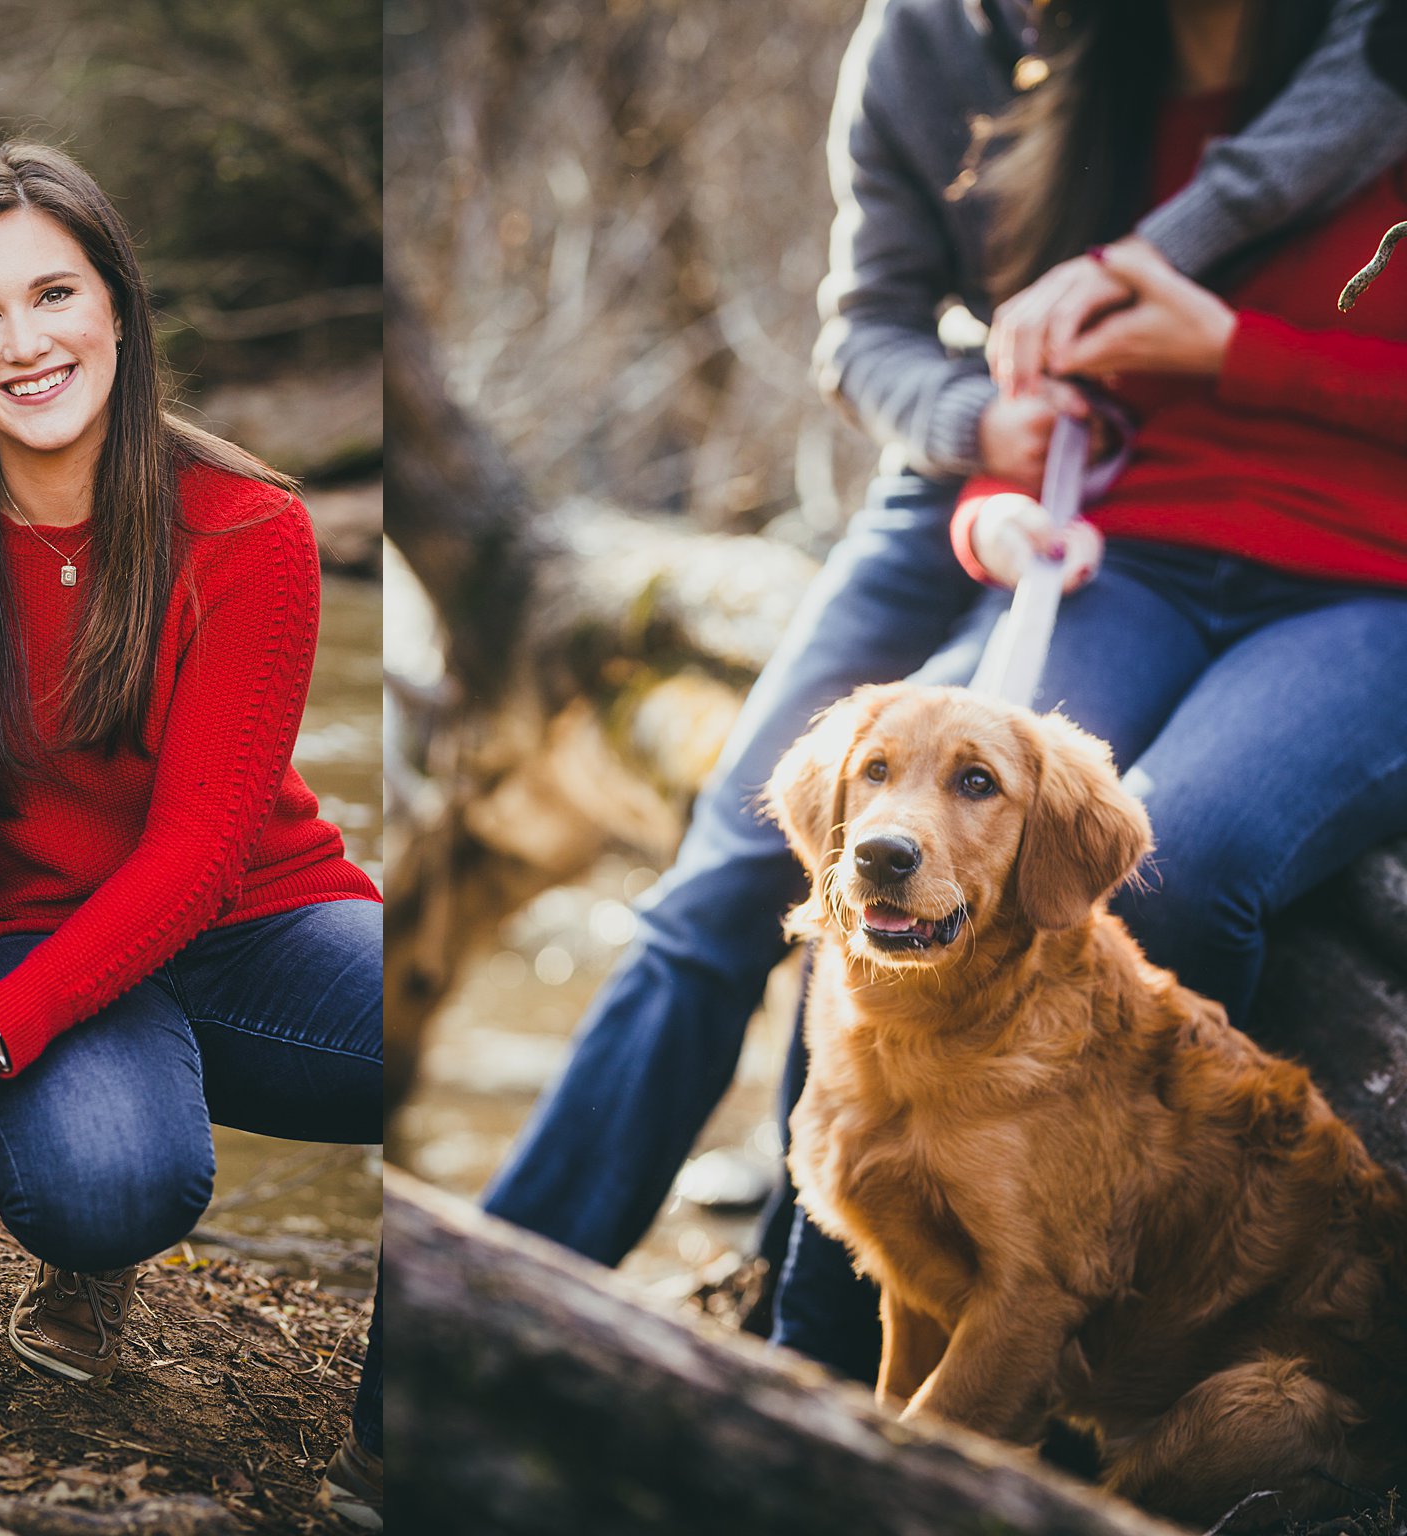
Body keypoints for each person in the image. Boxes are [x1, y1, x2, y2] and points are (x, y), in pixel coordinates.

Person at [480, 0, 1407, 1307]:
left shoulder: (1279, 58)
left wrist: (1162, 307)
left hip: (1127, 489)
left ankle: (845, 1294)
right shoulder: (940, 42)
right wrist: (986, 437)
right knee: (741, 871)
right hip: (995, 467)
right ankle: (518, 1286)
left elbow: (1311, 152)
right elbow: (864, 328)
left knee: (1019, 865)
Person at [771, 0, 1407, 1380]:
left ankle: (1087, 1273)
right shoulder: (1117, 93)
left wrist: (1233, 351)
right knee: (868, 866)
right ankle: (797, 1365)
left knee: (1181, 859)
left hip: (1375, 575)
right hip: (1137, 549)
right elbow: (1040, 376)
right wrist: (994, 506)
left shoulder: (1368, 87)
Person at [0, 143, 384, 1520]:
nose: (27, 342)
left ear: (117, 304)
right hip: (17, 934)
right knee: (113, 1188)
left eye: (54, 293)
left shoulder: (250, 529)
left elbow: (200, 855)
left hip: (245, 916)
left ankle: (398, 1432)